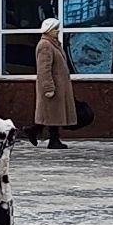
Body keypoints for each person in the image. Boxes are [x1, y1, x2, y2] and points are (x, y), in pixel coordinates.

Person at [33, 16, 76, 149]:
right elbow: (44, 69)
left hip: (59, 86)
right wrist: (48, 88)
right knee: (52, 114)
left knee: (53, 114)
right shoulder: (45, 45)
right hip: (53, 86)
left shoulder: (53, 44)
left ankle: (36, 132)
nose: (57, 31)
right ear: (49, 30)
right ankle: (53, 140)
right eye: (55, 29)